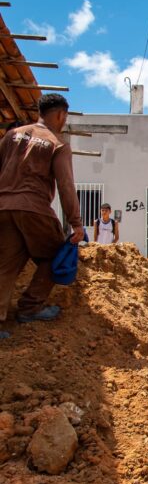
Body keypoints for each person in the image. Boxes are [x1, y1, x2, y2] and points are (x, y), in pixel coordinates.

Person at [0, 94, 84, 324]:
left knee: (6, 265)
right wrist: (76, 222)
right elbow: (65, 185)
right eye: (64, 117)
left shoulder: (11, 135)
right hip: (33, 208)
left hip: (4, 207)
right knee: (57, 255)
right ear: (60, 114)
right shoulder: (57, 143)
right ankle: (30, 307)